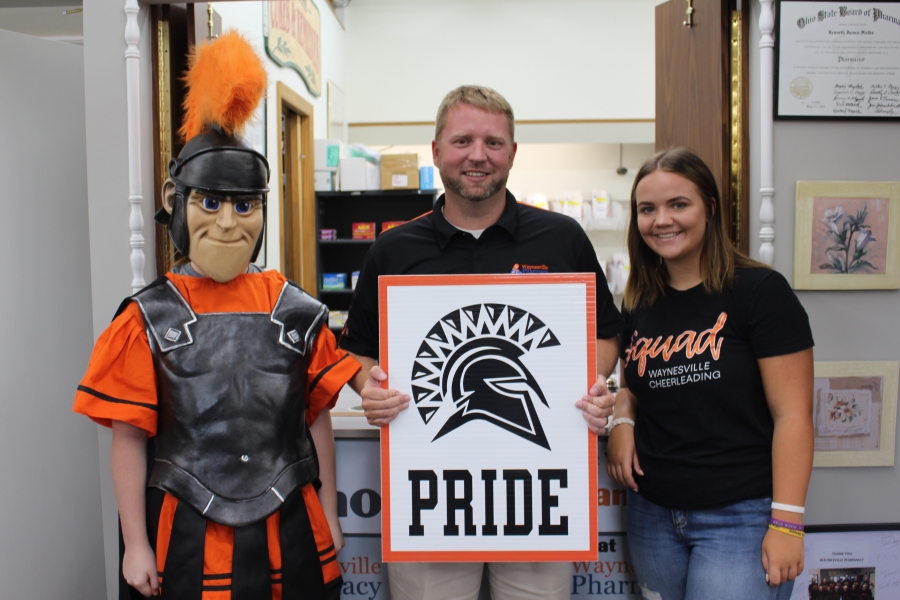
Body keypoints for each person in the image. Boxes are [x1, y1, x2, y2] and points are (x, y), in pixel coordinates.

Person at [73, 32, 362, 599]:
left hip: (291, 527)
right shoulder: (146, 318)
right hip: (184, 531)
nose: (228, 222)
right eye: (210, 201)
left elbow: (315, 419)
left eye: (243, 203)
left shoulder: (295, 309)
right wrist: (135, 543)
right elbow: (130, 439)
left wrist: (329, 513)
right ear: (176, 199)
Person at [339, 85, 624, 600]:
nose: (477, 155)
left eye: (493, 142)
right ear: (436, 152)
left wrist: (591, 379)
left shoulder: (562, 238)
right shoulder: (393, 249)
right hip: (430, 499)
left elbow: (605, 332)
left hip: (538, 499)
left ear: (512, 153)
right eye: (462, 141)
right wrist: (368, 385)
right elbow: (357, 349)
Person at [606, 147, 814, 599]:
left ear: (710, 209)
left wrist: (787, 522)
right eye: (648, 209)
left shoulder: (759, 292)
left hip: (740, 515)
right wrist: (623, 416)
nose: (662, 220)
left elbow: (794, 417)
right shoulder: (639, 300)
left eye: (678, 204)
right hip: (652, 513)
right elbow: (636, 384)